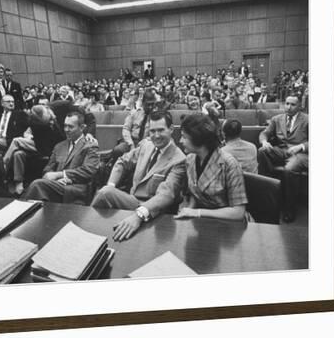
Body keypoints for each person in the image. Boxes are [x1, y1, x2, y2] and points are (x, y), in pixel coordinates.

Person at [92, 111, 187, 241]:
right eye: (152, 131)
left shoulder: (179, 159)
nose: (156, 136)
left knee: (105, 193)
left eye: (160, 130)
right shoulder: (146, 145)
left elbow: (166, 195)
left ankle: (89, 232)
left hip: (154, 212)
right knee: (107, 190)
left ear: (171, 129)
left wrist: (139, 215)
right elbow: (122, 162)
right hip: (132, 201)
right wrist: (111, 185)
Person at [155, 114, 248, 221]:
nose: (180, 141)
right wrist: (187, 211)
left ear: (198, 139)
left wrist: (198, 212)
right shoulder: (190, 159)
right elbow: (196, 193)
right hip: (202, 222)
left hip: (230, 226)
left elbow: (238, 212)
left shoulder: (229, 164)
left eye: (184, 137)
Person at [21, 111, 100, 204]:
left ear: (82, 127)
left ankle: (20, 212)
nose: (66, 129)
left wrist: (61, 175)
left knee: (37, 185)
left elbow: (88, 170)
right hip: (56, 185)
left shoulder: (90, 146)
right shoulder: (59, 146)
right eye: (65, 126)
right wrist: (54, 177)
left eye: (70, 127)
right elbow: (48, 168)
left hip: (75, 189)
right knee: (37, 189)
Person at [257, 95, 308, 222]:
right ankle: (268, 192)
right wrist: (264, 142)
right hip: (282, 151)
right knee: (262, 151)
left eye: (293, 104)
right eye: (287, 103)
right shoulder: (277, 119)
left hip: (299, 154)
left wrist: (300, 146)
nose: (289, 107)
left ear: (299, 106)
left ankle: (289, 208)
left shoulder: (308, 120)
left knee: (289, 170)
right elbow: (264, 133)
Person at [3, 105, 65, 195]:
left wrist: (31, 138)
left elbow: (52, 141)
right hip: (37, 147)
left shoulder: (53, 124)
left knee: (16, 141)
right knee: (18, 154)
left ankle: (3, 166)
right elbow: (27, 133)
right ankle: (18, 182)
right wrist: (29, 136)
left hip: (47, 149)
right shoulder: (35, 123)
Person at [111, 89, 158, 160]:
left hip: (146, 144)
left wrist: (145, 143)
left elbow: (156, 133)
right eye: (148, 104)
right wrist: (131, 144)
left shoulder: (157, 116)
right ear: (143, 103)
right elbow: (126, 129)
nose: (150, 107)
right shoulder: (134, 113)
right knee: (117, 150)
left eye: (152, 104)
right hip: (131, 142)